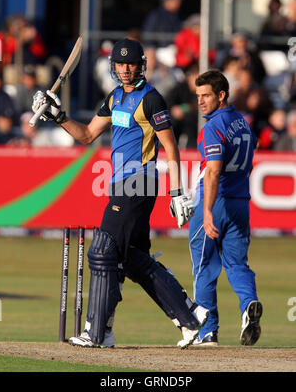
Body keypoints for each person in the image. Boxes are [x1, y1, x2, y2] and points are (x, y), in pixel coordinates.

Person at [31, 38, 209, 349]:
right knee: (132, 260)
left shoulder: (152, 100)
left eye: (131, 64)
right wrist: (57, 116)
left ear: (141, 65)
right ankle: (191, 317)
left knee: (102, 250)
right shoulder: (114, 98)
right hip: (121, 184)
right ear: (114, 67)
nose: (125, 70)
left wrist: (177, 191)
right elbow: (87, 135)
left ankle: (96, 332)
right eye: (120, 64)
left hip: (140, 182)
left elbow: (170, 147)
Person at [188, 69, 262, 346]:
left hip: (216, 201)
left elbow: (213, 171)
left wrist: (206, 210)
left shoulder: (213, 127)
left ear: (221, 95)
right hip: (240, 202)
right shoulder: (243, 124)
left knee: (205, 266)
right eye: (198, 96)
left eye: (206, 95)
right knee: (237, 263)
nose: (201, 101)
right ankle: (248, 304)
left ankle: (208, 331)